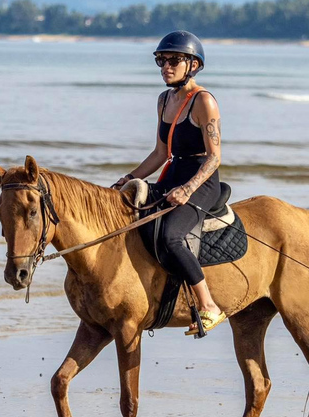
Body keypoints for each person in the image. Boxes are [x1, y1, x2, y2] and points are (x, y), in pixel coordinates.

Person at [112, 30, 226, 336]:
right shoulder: (164, 100)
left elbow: (215, 157)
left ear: (194, 65)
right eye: (161, 60)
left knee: (171, 237)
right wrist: (132, 177)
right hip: (174, 173)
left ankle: (208, 305)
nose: (166, 66)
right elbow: (161, 153)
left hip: (201, 180)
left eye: (174, 60)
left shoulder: (204, 102)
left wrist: (188, 189)